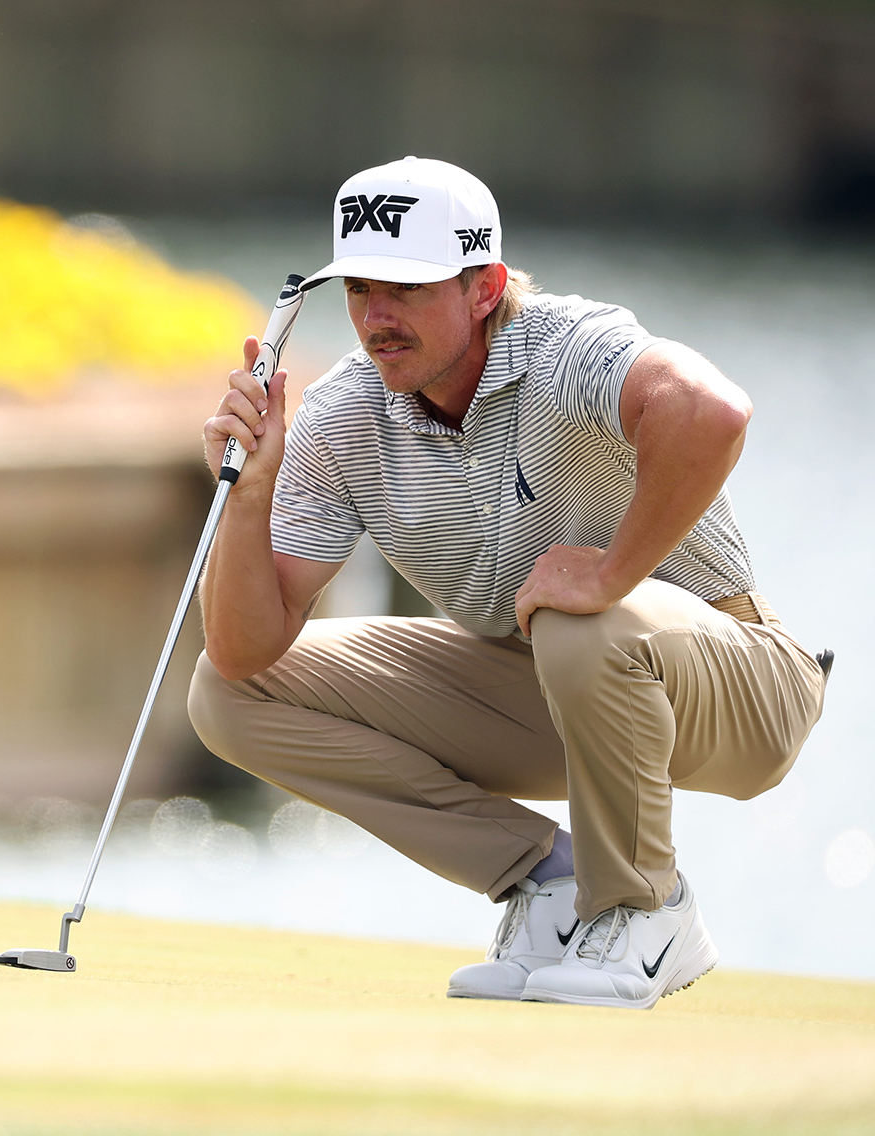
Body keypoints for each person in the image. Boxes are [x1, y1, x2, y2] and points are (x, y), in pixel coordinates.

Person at [191, 156, 828, 1009]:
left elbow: (713, 412)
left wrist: (607, 572)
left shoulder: (571, 348)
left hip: (742, 686)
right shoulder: (343, 413)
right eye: (360, 291)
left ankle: (646, 908)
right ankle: (547, 880)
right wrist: (252, 493)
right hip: (550, 683)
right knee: (228, 690)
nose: (376, 319)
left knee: (575, 619)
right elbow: (244, 645)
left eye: (407, 290)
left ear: (485, 287)